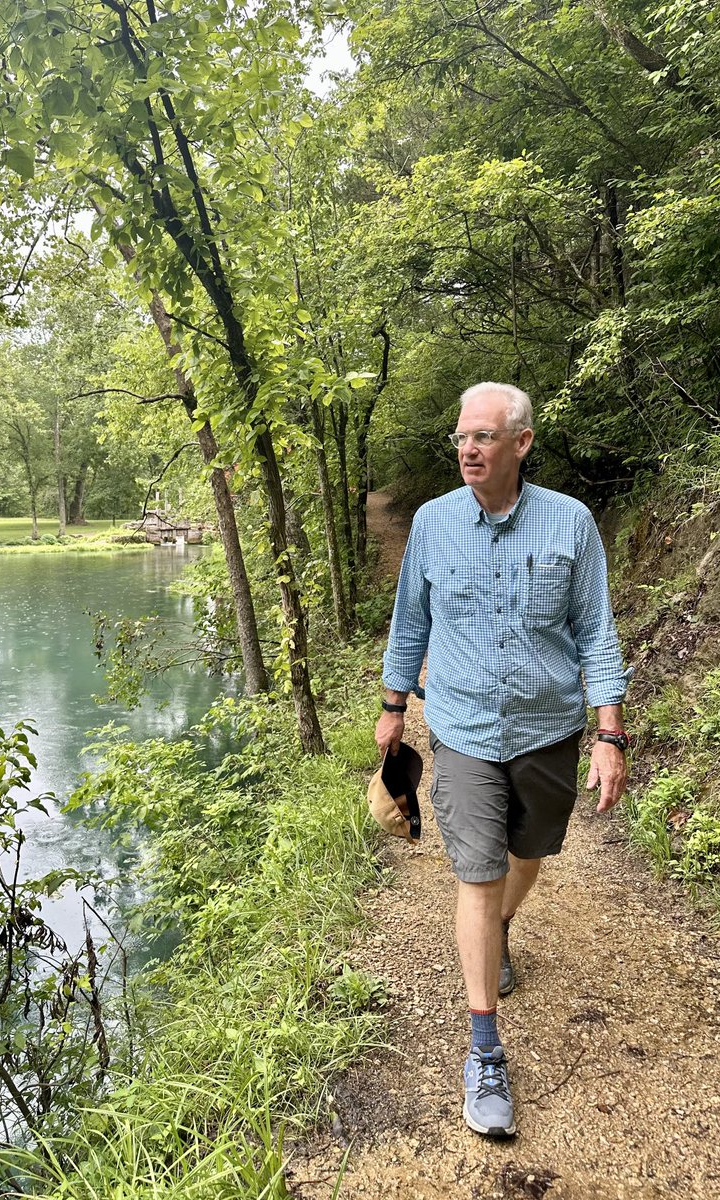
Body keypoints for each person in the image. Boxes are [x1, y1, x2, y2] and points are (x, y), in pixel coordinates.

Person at [375, 381, 630, 1138]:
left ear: (521, 443)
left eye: (483, 437)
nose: (467, 449)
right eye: (460, 437)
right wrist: (394, 710)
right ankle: (485, 1049)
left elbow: (597, 632)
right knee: (477, 873)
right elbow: (408, 622)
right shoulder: (432, 523)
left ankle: (503, 928)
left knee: (529, 852)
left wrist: (610, 734)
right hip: (461, 729)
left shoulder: (571, 523)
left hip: (548, 728)